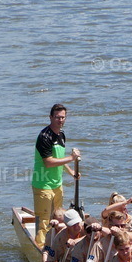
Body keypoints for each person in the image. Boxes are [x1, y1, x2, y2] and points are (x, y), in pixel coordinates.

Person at [31, 103, 82, 248]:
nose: (60, 120)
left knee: (59, 218)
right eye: (57, 117)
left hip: (57, 184)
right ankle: (41, 249)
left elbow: (59, 158)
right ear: (51, 117)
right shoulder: (44, 137)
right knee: (44, 221)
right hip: (43, 185)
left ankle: (57, 246)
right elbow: (48, 162)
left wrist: (71, 172)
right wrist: (72, 158)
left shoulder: (61, 134)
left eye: (63, 118)